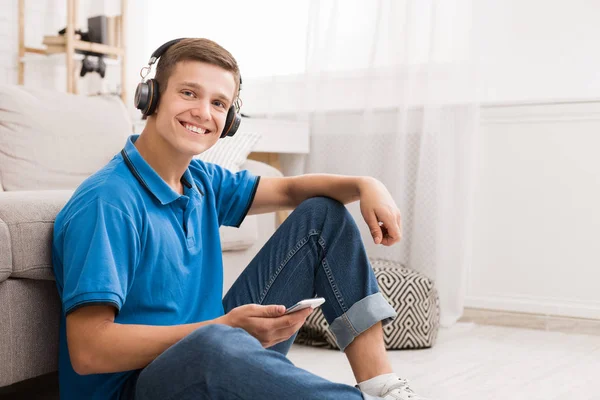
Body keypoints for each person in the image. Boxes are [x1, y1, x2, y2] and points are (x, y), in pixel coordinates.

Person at [52, 38, 429, 400]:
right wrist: (222, 328)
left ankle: (381, 387)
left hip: (216, 355)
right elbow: (88, 352)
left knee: (322, 215)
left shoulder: (200, 180)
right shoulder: (109, 202)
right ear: (150, 96)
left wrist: (366, 184)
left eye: (219, 103)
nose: (203, 112)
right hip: (139, 388)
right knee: (215, 344)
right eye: (188, 93)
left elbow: (287, 191)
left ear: (230, 119)